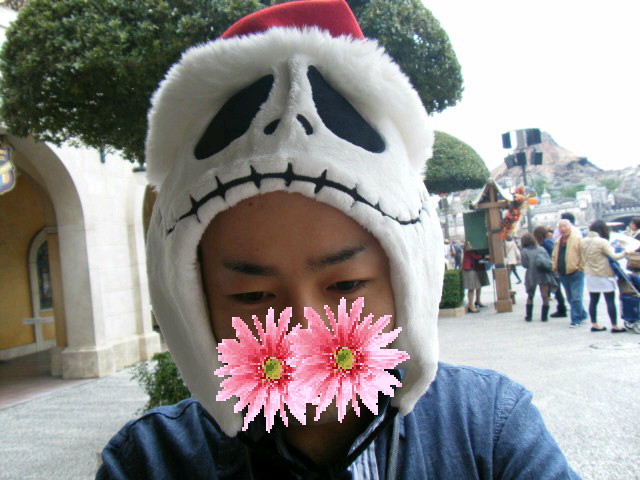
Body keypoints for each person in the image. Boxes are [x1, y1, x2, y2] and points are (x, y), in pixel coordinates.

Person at [96, 1, 579, 478]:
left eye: (346, 285)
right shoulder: (149, 463)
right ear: (193, 303)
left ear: (407, 278)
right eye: (252, 295)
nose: (304, 334)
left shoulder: (489, 432)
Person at [582, 220, 628, 332]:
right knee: (610, 300)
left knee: (593, 300)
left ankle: (594, 324)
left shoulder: (583, 241)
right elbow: (614, 256)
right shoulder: (602, 242)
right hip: (604, 274)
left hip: (590, 274)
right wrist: (625, 252)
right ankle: (614, 325)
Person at [552, 219, 588, 327]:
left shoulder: (577, 239)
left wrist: (580, 267)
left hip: (576, 272)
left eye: (565, 226)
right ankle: (582, 314)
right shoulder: (558, 241)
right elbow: (554, 255)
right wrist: (555, 267)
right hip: (563, 273)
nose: (563, 229)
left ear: (570, 227)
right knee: (570, 297)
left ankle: (575, 320)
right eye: (561, 227)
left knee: (576, 297)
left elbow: (583, 254)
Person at [520, 233, 556, 322]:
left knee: (530, 295)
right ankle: (544, 317)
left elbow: (525, 265)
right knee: (545, 296)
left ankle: (529, 316)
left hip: (531, 275)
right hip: (543, 274)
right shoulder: (541, 249)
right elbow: (548, 260)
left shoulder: (524, 251)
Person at [534, 226, 567, 318]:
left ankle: (562, 309)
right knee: (557, 289)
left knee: (557, 289)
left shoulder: (546, 243)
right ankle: (561, 308)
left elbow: (552, 254)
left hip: (551, 268)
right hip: (552, 268)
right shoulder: (548, 241)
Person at [461, 242, 489, 313]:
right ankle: (471, 305)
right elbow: (473, 255)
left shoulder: (470, 244)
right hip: (469, 268)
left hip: (472, 267)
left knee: (477, 286)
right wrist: (485, 257)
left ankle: (476, 302)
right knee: (471, 288)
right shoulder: (468, 245)